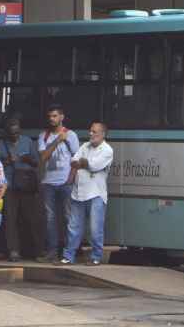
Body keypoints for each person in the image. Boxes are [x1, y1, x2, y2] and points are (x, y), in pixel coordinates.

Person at [60, 122, 112, 266]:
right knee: (73, 227)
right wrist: (82, 163)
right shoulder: (84, 146)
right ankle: (68, 256)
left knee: (95, 229)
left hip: (96, 194)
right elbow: (73, 161)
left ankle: (96, 257)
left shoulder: (107, 150)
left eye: (95, 132)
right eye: (90, 131)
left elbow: (94, 165)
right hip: (78, 192)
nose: (91, 134)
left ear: (103, 134)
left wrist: (83, 163)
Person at [38, 105, 80, 262]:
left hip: (66, 182)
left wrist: (71, 178)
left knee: (69, 217)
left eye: (55, 116)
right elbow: (43, 157)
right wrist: (57, 140)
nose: (52, 119)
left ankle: (69, 253)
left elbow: (76, 159)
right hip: (48, 182)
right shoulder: (44, 135)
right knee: (50, 218)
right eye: (50, 116)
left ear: (62, 117)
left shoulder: (72, 135)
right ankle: (52, 251)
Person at [0, 117, 42, 261]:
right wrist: (9, 160)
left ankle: (33, 250)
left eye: (16, 133)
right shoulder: (1, 144)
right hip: (8, 185)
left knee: (30, 218)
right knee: (10, 219)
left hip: (26, 185)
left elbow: (36, 162)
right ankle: (13, 250)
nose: (14, 136)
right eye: (11, 133)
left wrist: (24, 159)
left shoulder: (27, 141)